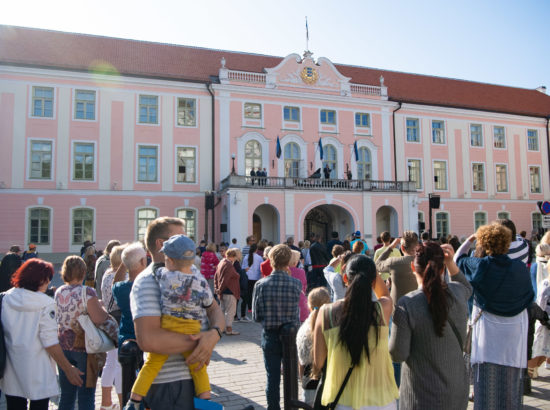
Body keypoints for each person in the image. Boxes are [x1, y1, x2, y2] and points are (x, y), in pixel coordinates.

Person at [129, 217, 225, 410]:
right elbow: (148, 340)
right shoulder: (147, 281)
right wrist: (201, 342)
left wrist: (214, 334)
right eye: (181, 238)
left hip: (192, 378)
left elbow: (214, 309)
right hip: (167, 385)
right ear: (161, 245)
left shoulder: (192, 273)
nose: (188, 245)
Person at [455, 223, 534, 409]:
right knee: (511, 385)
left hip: (488, 335)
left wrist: (470, 240)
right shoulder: (519, 267)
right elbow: (529, 295)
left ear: (484, 243)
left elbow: (459, 259)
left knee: (486, 386)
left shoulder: (480, 266)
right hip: (514, 334)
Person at [389, 243, 472, 409]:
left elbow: (398, 354)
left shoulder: (407, 304)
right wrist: (450, 263)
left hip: (421, 394)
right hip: (456, 389)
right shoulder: (458, 293)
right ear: (442, 268)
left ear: (413, 266)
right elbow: (467, 286)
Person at [313, 255, 398, 409]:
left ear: (345, 278)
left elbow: (318, 362)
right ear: (373, 280)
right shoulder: (382, 309)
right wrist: (372, 271)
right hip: (381, 399)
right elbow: (385, 294)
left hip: (343, 400)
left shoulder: (326, 313)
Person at [0, 259, 83, 410]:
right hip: (38, 369)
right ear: (41, 279)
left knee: (13, 405)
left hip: (11, 367)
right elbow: (50, 341)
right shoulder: (46, 303)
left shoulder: (5, 298)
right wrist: (67, 368)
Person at [55, 255, 118, 410]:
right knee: (86, 395)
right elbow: (98, 319)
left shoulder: (59, 291)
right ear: (83, 272)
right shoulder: (87, 292)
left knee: (67, 394)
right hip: (84, 346)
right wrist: (103, 309)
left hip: (63, 346)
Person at [253, 244, 302, 409]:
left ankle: (273, 407)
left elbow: (256, 316)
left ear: (270, 260)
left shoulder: (261, 284)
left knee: (272, 378)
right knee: (291, 377)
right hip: (291, 336)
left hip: (270, 335)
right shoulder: (296, 283)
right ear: (288, 261)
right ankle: (291, 405)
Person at [100, 243, 126, 410]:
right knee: (119, 364)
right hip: (119, 319)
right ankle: (122, 402)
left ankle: (105, 402)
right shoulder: (120, 277)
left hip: (109, 318)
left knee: (110, 362)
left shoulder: (107, 274)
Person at [296, 287, 331, 406]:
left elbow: (301, 362)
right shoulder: (332, 328)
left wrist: (303, 382)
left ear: (309, 305)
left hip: (309, 386)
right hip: (329, 386)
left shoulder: (303, 330)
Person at [375, 231, 419, 307]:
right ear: (417, 246)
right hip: (418, 306)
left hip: (399, 308)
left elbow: (377, 264)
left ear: (402, 247)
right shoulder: (423, 262)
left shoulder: (394, 262)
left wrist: (391, 246)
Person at [214, 247, 241, 335]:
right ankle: (228, 329)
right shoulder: (229, 264)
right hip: (229, 290)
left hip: (223, 291)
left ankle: (222, 328)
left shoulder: (221, 262)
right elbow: (225, 279)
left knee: (223, 310)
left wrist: (217, 289)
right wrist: (219, 290)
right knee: (230, 311)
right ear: (232, 257)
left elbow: (216, 276)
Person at [242, 243, 263, 321]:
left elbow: (243, 267)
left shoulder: (246, 257)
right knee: (255, 293)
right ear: (256, 250)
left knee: (248, 293)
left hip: (248, 277)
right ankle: (254, 307)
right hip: (256, 277)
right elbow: (260, 268)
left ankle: (249, 307)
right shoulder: (259, 258)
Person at [289, 249, 309, 322]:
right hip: (300, 302)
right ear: (295, 261)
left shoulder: (282, 271)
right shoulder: (301, 272)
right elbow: (304, 286)